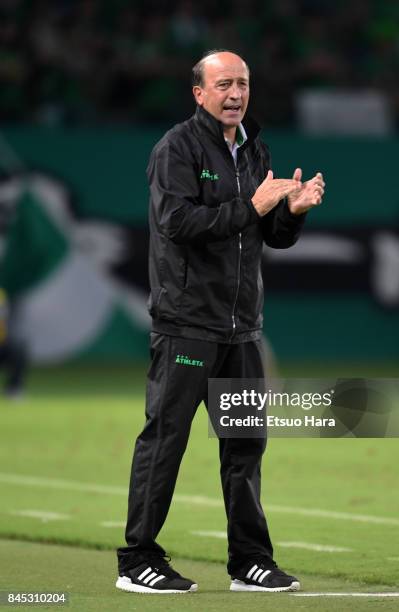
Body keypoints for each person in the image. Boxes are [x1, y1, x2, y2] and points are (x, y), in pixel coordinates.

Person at [116, 49, 325, 595]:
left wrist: (292, 214)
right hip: (186, 322)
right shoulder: (176, 148)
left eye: (244, 84)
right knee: (166, 440)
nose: (236, 94)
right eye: (225, 84)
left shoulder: (255, 148)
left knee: (245, 444)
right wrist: (254, 207)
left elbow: (267, 235)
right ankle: (138, 558)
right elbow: (177, 222)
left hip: (242, 329)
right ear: (199, 93)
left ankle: (250, 562)